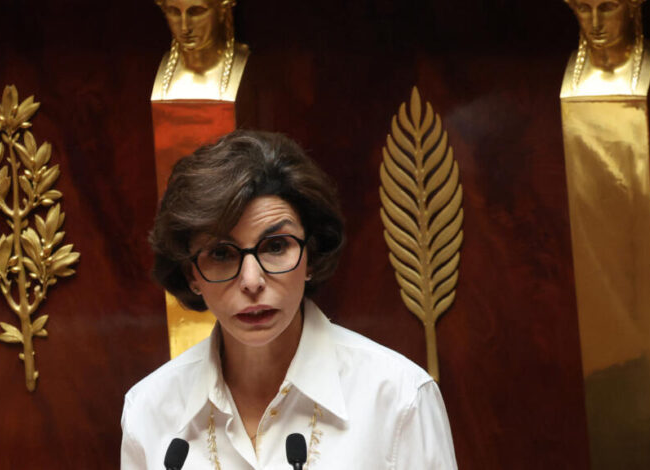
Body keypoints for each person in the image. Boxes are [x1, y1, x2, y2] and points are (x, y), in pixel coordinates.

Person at [121, 130, 457, 469]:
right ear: (191, 274)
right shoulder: (149, 410)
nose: (251, 281)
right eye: (221, 253)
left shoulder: (399, 399)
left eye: (276, 246)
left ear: (311, 254)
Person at [151, 0, 250, 101]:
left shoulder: (244, 64)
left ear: (222, 10)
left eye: (196, 11)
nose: (185, 28)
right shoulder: (162, 68)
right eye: (174, 12)